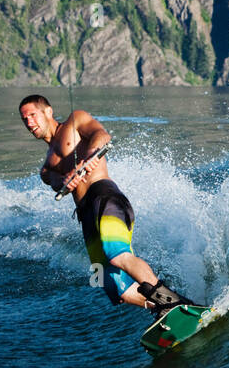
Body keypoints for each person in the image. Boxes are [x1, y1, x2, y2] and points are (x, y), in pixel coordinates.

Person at [18, 94, 194, 316]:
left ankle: (173, 302)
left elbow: (102, 135)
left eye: (32, 115)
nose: (29, 122)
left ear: (48, 112)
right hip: (86, 217)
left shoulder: (76, 120)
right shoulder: (46, 168)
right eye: (24, 119)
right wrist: (65, 180)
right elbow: (55, 182)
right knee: (111, 287)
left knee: (116, 254)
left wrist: (88, 158)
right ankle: (162, 310)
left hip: (104, 197)